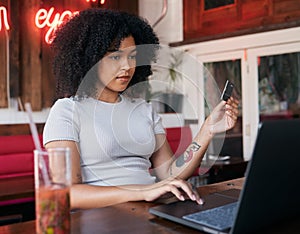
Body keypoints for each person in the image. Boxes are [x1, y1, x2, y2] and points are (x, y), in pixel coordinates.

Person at [43, 8, 239, 210]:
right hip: (99, 218)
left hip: (148, 211)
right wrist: (142, 191)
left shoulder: (143, 109)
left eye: (133, 56)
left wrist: (207, 130)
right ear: (90, 58)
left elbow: (170, 173)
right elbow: (67, 193)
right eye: (115, 57)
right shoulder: (67, 111)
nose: (127, 66)